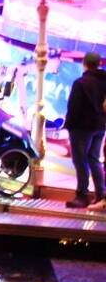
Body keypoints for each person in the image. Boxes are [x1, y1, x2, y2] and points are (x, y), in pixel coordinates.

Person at [63, 51, 106, 209]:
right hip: (100, 126)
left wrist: (68, 125)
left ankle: (82, 195)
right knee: (94, 159)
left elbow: (74, 107)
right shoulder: (104, 82)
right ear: (100, 63)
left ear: (84, 63)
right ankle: (101, 195)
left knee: (80, 161)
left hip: (81, 127)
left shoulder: (81, 83)